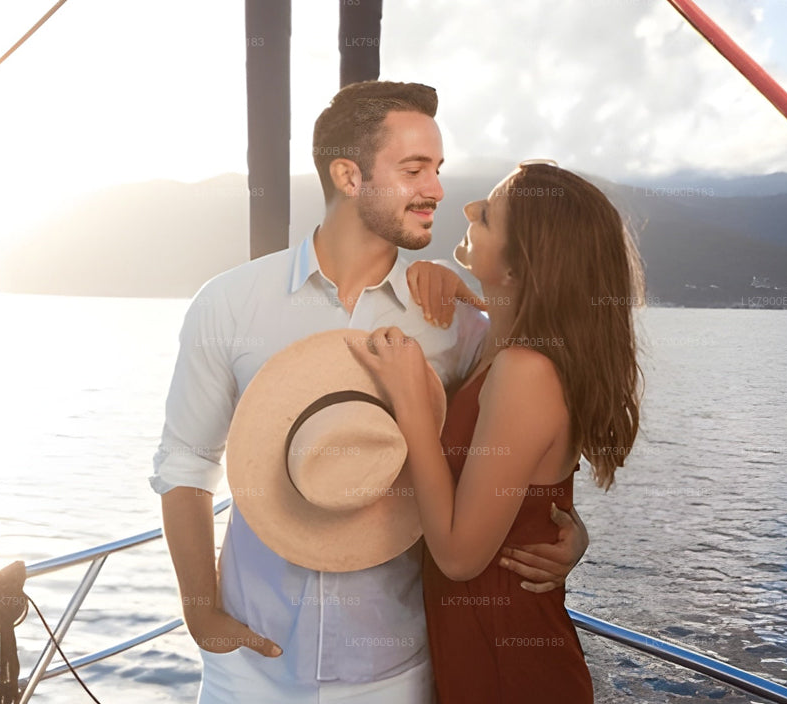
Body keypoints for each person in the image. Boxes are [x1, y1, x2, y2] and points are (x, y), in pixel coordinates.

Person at [150, 82, 591, 703]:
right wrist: (200, 612)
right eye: (414, 170)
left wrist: (570, 535)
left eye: (438, 169)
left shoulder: (460, 325)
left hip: (399, 675)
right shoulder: (228, 303)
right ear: (349, 176)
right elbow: (185, 465)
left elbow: (513, 457)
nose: (437, 190)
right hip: (250, 670)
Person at [348, 161, 644, 703]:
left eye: (486, 215)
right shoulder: (501, 349)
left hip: (511, 668)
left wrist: (411, 404)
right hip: (483, 649)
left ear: (518, 266)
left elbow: (460, 558)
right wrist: (439, 271)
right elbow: (532, 498)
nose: (466, 210)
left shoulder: (526, 370)